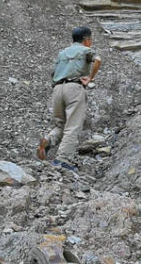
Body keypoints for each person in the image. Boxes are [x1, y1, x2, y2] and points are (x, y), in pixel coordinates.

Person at [37, 26, 102, 172]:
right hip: (74, 87)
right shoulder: (86, 50)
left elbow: (53, 72)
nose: (91, 42)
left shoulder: (62, 53)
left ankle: (48, 140)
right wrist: (90, 78)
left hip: (57, 88)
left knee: (60, 125)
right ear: (86, 40)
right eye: (90, 40)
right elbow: (98, 60)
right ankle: (62, 160)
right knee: (73, 126)